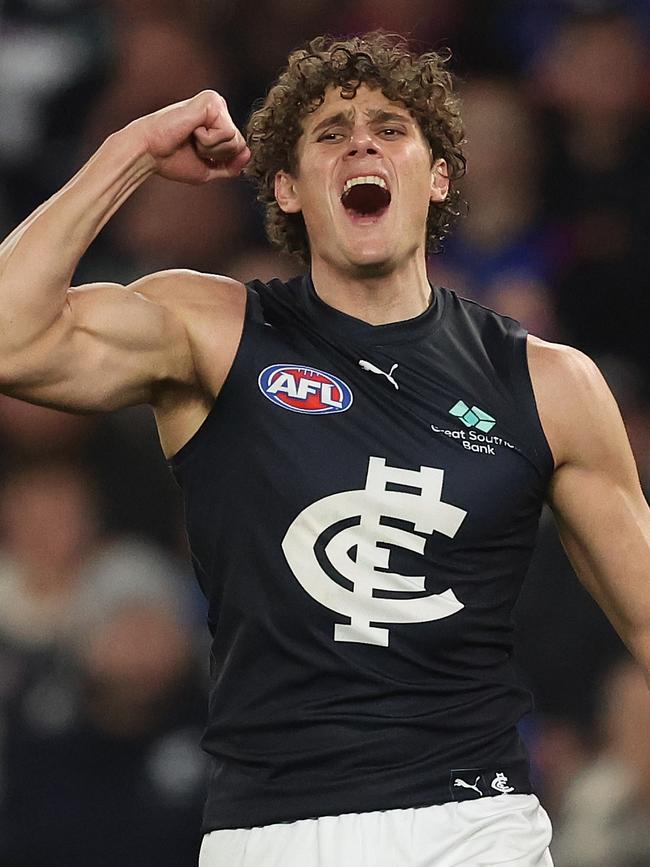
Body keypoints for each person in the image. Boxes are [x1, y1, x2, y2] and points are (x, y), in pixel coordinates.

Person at [0, 31, 648, 867]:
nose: (362, 145)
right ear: (288, 186)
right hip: (269, 831)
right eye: (330, 136)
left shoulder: (549, 383)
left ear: (438, 174)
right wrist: (131, 152)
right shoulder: (213, 330)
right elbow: (11, 339)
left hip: (474, 826)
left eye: (390, 128)